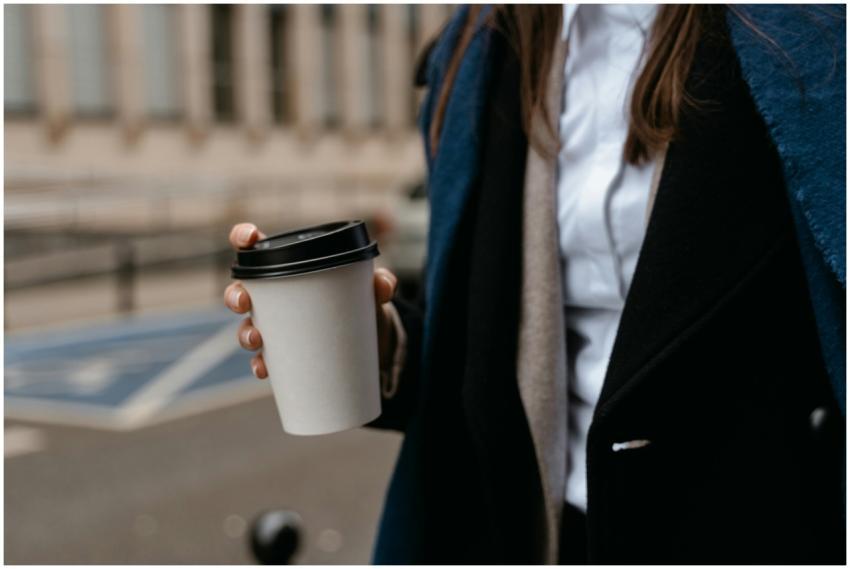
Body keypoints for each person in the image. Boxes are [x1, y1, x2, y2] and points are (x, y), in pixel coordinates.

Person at [225, 4, 845, 564]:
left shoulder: (808, 32)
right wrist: (377, 343)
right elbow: (476, 361)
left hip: (753, 529)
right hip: (536, 533)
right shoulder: (480, 47)